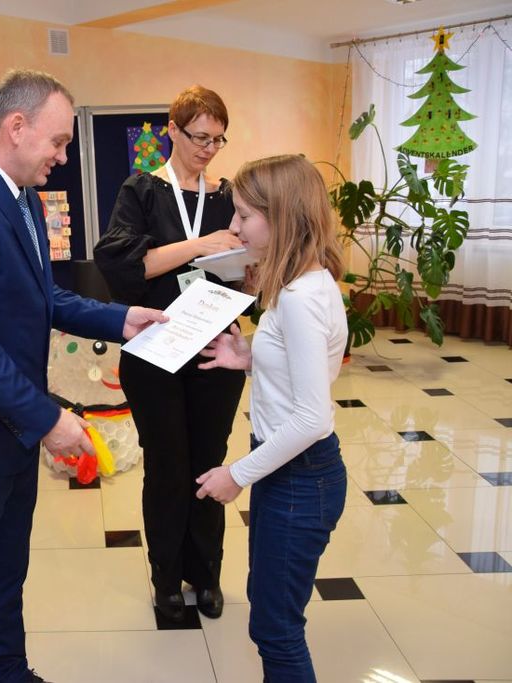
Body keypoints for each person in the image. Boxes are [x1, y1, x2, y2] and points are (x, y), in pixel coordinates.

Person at [0, 69, 166, 683]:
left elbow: (43, 297)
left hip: (11, 432)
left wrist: (121, 318)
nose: (63, 156)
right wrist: (49, 418)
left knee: (6, 576)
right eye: (57, 142)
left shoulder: (21, 197)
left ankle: (9, 671)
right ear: (16, 127)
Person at [93, 85, 245, 622]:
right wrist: (200, 246)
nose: (208, 149)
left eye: (218, 140)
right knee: (166, 466)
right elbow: (122, 265)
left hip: (214, 352)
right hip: (155, 351)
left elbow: (249, 264)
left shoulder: (228, 196)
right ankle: (165, 578)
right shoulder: (141, 190)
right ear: (172, 132)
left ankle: (206, 574)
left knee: (208, 463)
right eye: (199, 137)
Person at [196, 154, 347, 682]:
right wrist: (250, 357)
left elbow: (312, 418)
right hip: (290, 472)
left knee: (276, 630)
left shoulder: (301, 298)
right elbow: (303, 366)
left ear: (281, 216)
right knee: (270, 614)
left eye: (243, 215)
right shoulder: (304, 285)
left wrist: (237, 474)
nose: (234, 227)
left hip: (301, 477)